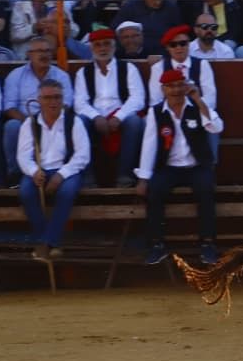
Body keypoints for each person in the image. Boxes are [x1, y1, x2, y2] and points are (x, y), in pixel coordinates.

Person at [135, 66, 222, 266]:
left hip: (196, 165)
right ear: (163, 89)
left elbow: (216, 127)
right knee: (154, 191)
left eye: (179, 85)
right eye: (170, 86)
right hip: (169, 167)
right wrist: (143, 178)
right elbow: (149, 145)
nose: (175, 90)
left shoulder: (196, 107)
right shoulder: (156, 112)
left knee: (206, 190)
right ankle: (157, 245)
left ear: (185, 87)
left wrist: (199, 101)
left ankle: (207, 244)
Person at [15, 78, 91, 261]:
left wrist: (60, 175)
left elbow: (82, 155)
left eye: (57, 97)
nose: (53, 102)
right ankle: (52, 243)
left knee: (66, 193)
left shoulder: (74, 122)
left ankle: (46, 243)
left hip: (67, 170)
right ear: (39, 100)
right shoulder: (30, 124)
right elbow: (23, 155)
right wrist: (34, 171)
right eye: (48, 98)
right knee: (26, 192)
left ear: (63, 99)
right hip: (39, 170)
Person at [73, 27, 146, 185]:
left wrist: (118, 117)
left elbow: (138, 98)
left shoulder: (128, 68)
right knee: (79, 122)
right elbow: (80, 103)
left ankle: (124, 175)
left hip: (121, 115)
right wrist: (96, 117)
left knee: (134, 122)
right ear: (91, 48)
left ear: (114, 47)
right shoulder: (83, 73)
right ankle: (88, 178)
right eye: (98, 45)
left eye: (106, 44)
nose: (103, 48)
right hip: (95, 117)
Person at [0, 36, 74, 185]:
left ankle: (61, 173)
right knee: (11, 126)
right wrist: (30, 122)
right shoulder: (16, 75)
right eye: (39, 51)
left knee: (69, 124)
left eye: (47, 51)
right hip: (25, 120)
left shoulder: (61, 76)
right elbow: (9, 107)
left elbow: (67, 104)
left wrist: (46, 120)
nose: (44, 54)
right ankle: (16, 176)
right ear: (29, 54)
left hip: (54, 120)